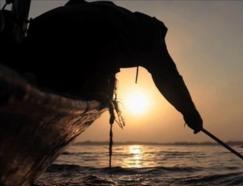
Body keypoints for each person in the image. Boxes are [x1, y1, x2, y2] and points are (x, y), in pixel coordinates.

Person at [22, 0, 203, 133]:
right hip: (72, 35)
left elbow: (73, 5)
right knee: (86, 81)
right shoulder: (149, 37)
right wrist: (190, 113)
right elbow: (169, 78)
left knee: (36, 72)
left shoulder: (114, 14)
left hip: (40, 26)